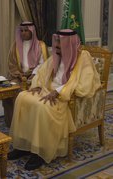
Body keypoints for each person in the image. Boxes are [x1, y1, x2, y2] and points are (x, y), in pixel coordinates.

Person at [7, 29, 101, 170]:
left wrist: (58, 92)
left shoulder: (83, 57)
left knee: (41, 107)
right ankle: (24, 146)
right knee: (22, 97)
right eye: (56, 45)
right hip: (47, 89)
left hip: (64, 96)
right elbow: (43, 71)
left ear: (68, 45)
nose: (56, 48)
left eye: (59, 45)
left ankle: (39, 152)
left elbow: (85, 84)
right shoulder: (57, 55)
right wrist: (38, 85)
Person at [2, 21, 48, 127]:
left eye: (26, 31)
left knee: (23, 94)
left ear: (32, 31)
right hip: (17, 76)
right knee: (8, 91)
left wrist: (33, 75)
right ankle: (12, 123)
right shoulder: (15, 45)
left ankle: (25, 125)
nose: (23, 33)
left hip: (36, 76)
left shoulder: (40, 45)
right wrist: (19, 75)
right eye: (21, 31)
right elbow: (11, 64)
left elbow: (43, 65)